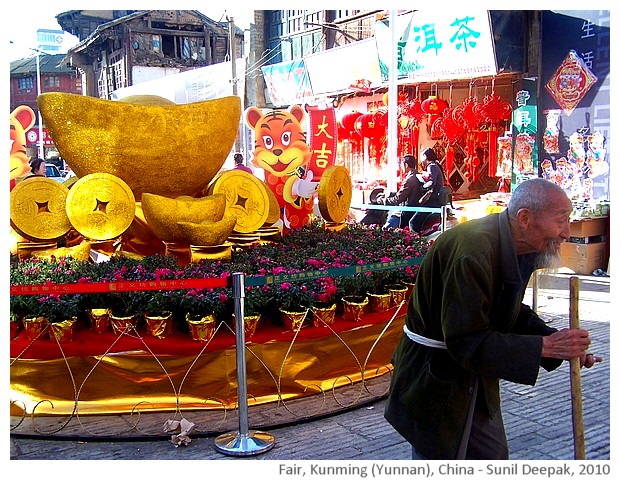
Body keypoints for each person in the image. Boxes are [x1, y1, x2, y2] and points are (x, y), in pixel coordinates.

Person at [384, 178, 602, 460]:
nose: (565, 232)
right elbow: (465, 341)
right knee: (441, 457)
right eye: (561, 220)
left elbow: (509, 311)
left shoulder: (520, 247)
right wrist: (546, 347)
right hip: (435, 377)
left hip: (474, 377)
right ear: (525, 218)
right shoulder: (474, 252)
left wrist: (558, 342)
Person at [380, 155, 424, 229]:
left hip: (407, 210)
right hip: (414, 209)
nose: (401, 167)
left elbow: (399, 198)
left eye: (401, 165)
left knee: (387, 229)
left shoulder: (410, 179)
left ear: (406, 165)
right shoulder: (417, 176)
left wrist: (384, 200)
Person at [408, 147, 444, 232]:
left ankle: (415, 241)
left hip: (433, 200)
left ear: (424, 156)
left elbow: (431, 182)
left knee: (413, 223)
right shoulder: (436, 165)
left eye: (421, 156)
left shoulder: (432, 166)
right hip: (436, 200)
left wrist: (422, 188)